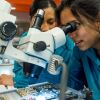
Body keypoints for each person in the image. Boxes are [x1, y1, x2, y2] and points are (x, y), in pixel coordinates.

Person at [57, 0, 100, 99]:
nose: (71, 35)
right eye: (67, 29)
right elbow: (71, 85)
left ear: (98, 20)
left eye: (74, 25)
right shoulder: (80, 51)